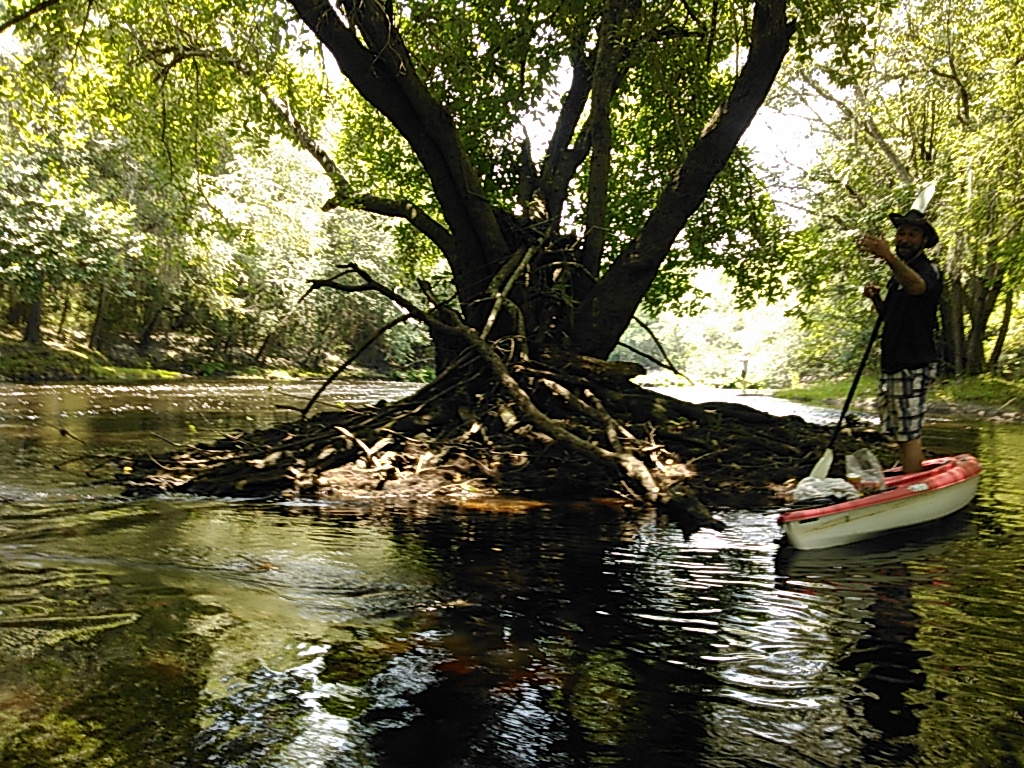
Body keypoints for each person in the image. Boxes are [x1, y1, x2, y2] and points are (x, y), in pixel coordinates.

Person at [857, 209, 942, 474]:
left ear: (924, 240)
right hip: (894, 361)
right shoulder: (898, 275)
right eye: (901, 233)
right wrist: (876, 300)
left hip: (914, 362)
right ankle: (908, 468)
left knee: (909, 429)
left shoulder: (928, 270)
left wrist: (888, 256)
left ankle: (914, 481)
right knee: (898, 426)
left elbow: (918, 288)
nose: (904, 239)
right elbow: (891, 317)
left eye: (912, 235)